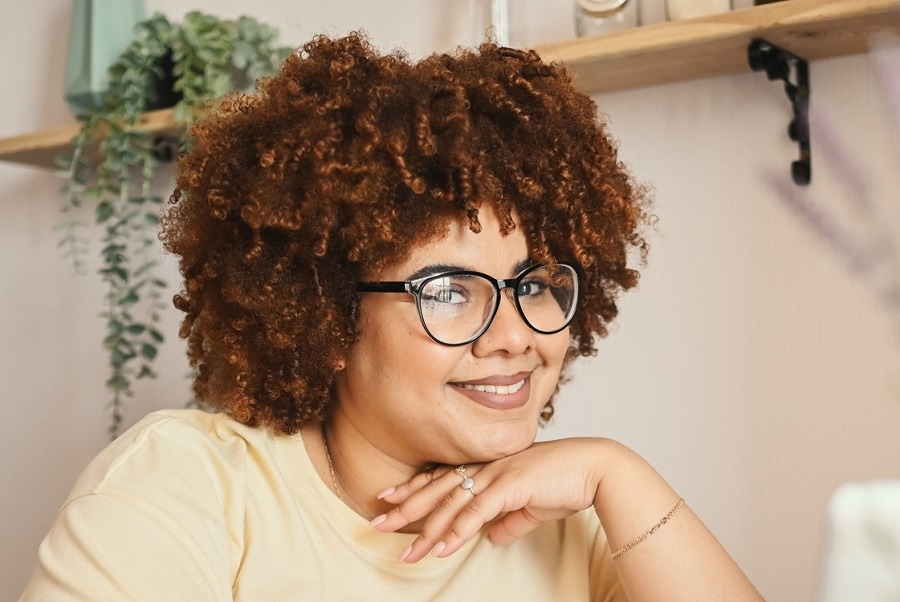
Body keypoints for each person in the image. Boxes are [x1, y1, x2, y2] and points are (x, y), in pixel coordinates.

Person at [21, 33, 761, 600]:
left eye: (533, 285)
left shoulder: (572, 517)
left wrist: (621, 475)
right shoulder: (186, 489)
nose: (514, 337)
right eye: (446, 290)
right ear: (328, 316)